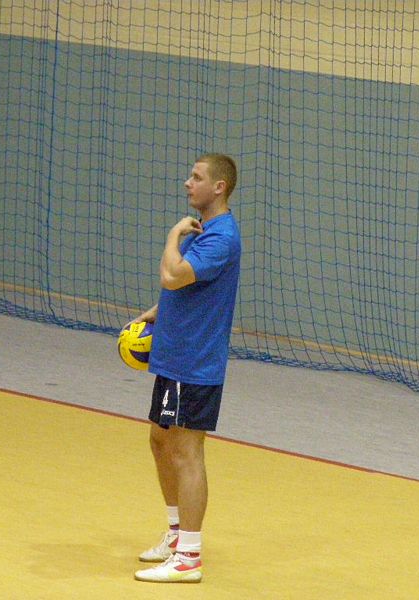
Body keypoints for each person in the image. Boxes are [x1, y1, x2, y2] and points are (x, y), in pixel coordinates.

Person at [129, 154, 241, 583]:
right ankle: (177, 535)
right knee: (160, 440)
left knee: (186, 450)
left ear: (219, 187)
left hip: (195, 362)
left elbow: (173, 276)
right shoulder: (204, 231)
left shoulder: (219, 237)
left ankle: (189, 557)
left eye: (196, 177)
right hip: (174, 355)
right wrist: (156, 314)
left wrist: (172, 235)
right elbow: (188, 289)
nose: (187, 183)